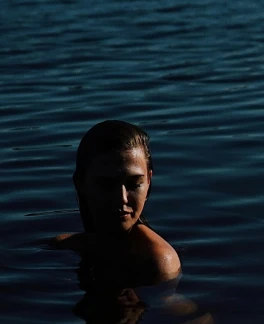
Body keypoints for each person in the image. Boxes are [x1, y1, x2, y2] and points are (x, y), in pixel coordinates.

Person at [52, 120, 181, 286]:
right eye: (106, 184)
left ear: (149, 180)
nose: (122, 198)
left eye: (134, 184)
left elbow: (170, 305)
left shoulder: (158, 261)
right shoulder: (67, 246)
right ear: (80, 184)